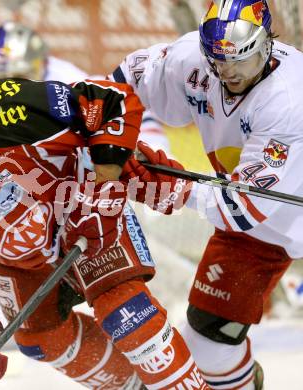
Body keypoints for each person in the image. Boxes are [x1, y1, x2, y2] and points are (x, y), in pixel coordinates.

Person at [0, 62, 209, 389]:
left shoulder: (3, 109)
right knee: (41, 338)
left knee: (127, 315)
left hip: (83, 215)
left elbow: (108, 100)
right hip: (14, 253)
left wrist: (104, 187)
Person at [112, 0, 303, 388]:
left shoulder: (289, 100)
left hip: (268, 208)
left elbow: (244, 206)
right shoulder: (194, 60)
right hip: (263, 225)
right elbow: (122, 81)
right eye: (219, 62)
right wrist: (104, 135)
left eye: (242, 62)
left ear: (267, 46)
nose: (229, 73)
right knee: (208, 342)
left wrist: (174, 188)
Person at [0, 21, 171, 153]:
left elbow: (123, 104)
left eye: (21, 74)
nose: (15, 85)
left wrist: (155, 150)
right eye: (5, 76)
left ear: (43, 63)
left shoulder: (66, 78)